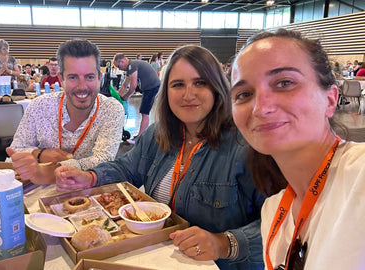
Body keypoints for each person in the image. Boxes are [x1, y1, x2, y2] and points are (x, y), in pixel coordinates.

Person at [56, 45, 265, 270]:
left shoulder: (247, 147)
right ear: (166, 92)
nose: (188, 94)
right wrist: (90, 177)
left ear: (217, 87)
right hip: (158, 257)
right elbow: (127, 168)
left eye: (200, 83)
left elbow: (282, 225)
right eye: (178, 85)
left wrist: (225, 243)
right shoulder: (158, 134)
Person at [231, 28, 365, 270]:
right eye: (244, 94)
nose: (260, 108)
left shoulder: (359, 176)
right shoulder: (273, 213)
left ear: (330, 99)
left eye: (284, 83)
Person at [6, 39, 125, 185]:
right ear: (62, 79)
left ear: (99, 78)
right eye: (73, 77)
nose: (82, 87)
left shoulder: (111, 109)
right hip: (38, 192)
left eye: (89, 77)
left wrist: (52, 170)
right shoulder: (40, 106)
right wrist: (41, 154)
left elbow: (104, 160)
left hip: (90, 193)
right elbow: (15, 151)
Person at [113, 53, 161, 138]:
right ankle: (141, 135)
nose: (119, 69)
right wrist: (117, 97)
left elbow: (133, 85)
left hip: (152, 87)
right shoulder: (130, 67)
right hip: (149, 87)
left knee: (144, 112)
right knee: (144, 111)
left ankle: (140, 137)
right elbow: (125, 85)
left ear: (122, 61)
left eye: (118, 66)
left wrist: (126, 96)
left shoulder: (132, 65)